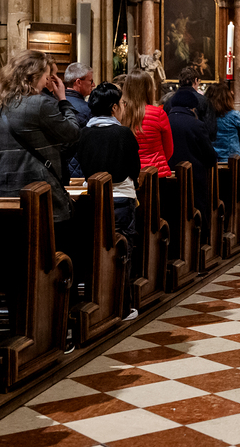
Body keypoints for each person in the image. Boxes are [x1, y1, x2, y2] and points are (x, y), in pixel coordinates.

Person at [73, 83, 141, 319]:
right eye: (122, 104)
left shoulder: (84, 133)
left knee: (94, 253)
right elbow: (135, 168)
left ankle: (96, 304)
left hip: (92, 199)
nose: (124, 107)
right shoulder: (123, 133)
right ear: (113, 108)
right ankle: (122, 307)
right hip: (121, 199)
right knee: (123, 253)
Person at [0, 50, 80, 225]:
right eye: (46, 76)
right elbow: (72, 133)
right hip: (38, 190)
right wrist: (63, 100)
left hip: (4, 189)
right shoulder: (39, 103)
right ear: (34, 75)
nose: (47, 81)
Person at [167, 89, 218, 220]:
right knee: (197, 215)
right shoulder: (197, 125)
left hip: (168, 177)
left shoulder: (165, 121)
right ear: (192, 108)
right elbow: (210, 156)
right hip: (194, 180)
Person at [121, 70, 174, 178]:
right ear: (149, 89)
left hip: (129, 174)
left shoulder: (121, 114)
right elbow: (169, 149)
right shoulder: (158, 114)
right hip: (156, 172)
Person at [163, 66, 216, 140]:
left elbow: (164, 127)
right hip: (196, 143)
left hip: (174, 143)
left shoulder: (169, 101)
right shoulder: (203, 101)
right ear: (196, 81)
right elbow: (211, 130)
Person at [63, 62, 94, 178]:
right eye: (90, 81)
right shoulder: (87, 109)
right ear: (78, 82)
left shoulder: (52, 104)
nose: (93, 85)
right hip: (79, 171)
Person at [206, 82, 240, 162]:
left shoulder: (204, 116)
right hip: (232, 161)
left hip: (210, 161)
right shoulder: (234, 116)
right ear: (227, 98)